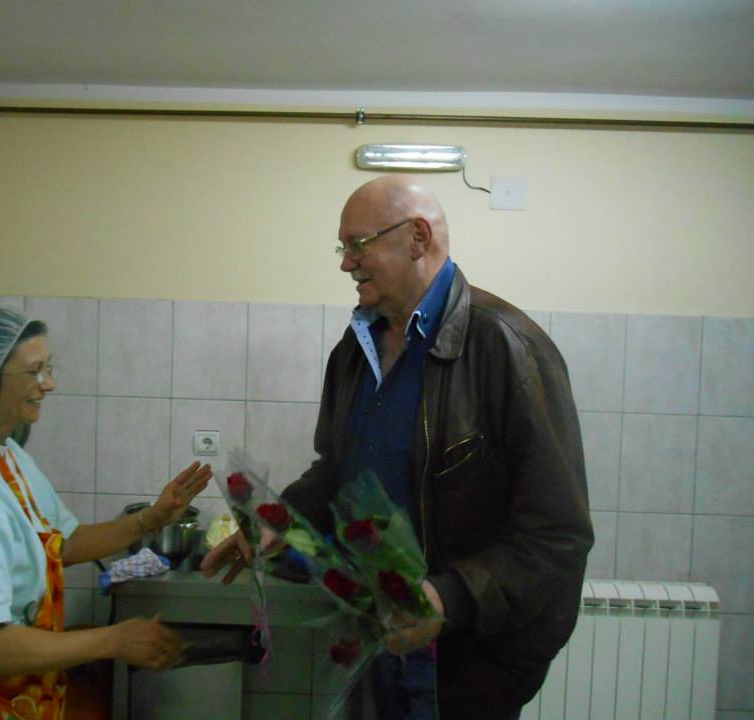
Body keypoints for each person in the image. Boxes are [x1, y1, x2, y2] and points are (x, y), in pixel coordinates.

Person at [202, 175, 593, 720]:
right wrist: (277, 522)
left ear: (417, 238)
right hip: (377, 637)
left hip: (466, 664)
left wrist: (445, 599)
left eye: (359, 244)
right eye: (343, 247)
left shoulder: (507, 346)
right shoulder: (354, 349)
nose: (346, 263)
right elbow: (336, 470)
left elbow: (557, 534)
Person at [0, 305, 212, 719]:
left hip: (18, 700)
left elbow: (63, 544)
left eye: (48, 368)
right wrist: (113, 640)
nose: (49, 384)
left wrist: (152, 518)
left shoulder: (3, 455)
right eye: (34, 371)